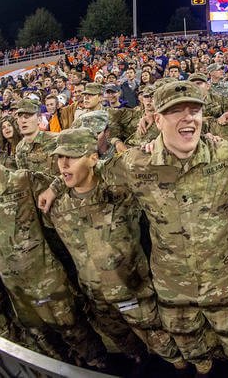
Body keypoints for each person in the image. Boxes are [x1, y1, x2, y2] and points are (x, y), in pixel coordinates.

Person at [42, 81, 228, 376]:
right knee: (189, 342)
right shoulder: (135, 163)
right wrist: (54, 186)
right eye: (175, 111)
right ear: (157, 119)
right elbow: (92, 169)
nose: (188, 117)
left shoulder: (226, 154)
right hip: (172, 283)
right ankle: (203, 369)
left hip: (221, 275)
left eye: (194, 110)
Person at [0, 124, 107, 366]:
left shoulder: (22, 181)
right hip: (17, 291)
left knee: (79, 336)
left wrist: (53, 188)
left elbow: (67, 181)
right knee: (47, 346)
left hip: (49, 282)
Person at [44, 127, 184, 368]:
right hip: (97, 298)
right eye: (59, 157)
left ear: (92, 158)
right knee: (124, 341)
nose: (63, 164)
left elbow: (148, 168)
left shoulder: (120, 192)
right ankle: (141, 362)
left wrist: (152, 147)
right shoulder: (57, 206)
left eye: (72, 156)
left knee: (161, 341)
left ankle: (180, 366)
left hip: (133, 290)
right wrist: (56, 186)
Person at [15, 99, 59, 175]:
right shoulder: (19, 147)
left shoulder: (55, 141)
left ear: (39, 119)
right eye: (20, 117)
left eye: (27, 116)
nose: (23, 120)